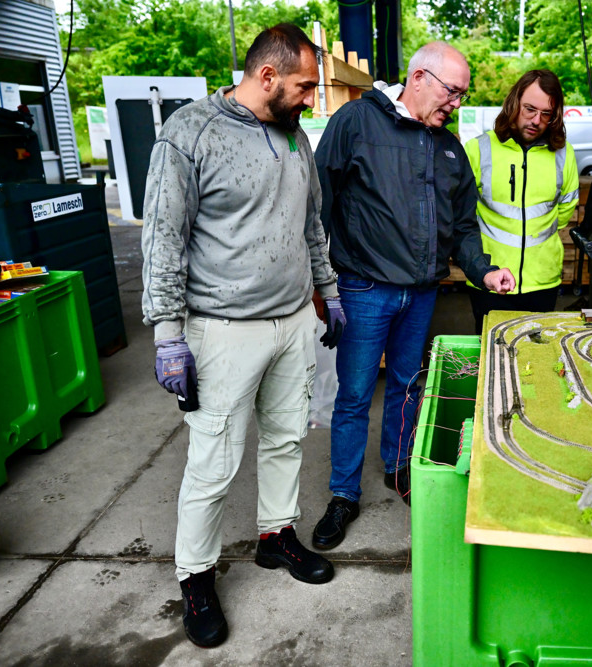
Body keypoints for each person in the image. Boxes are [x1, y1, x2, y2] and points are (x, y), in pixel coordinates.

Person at [141, 24, 345, 649]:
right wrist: (169, 335)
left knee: (286, 438)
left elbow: (310, 222)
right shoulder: (190, 133)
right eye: (305, 86)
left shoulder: (295, 139)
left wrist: (328, 293)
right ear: (266, 76)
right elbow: (163, 239)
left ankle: (275, 536)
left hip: (290, 324)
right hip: (222, 330)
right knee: (213, 461)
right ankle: (195, 576)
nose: (311, 99)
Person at [312, 41, 515, 548]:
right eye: (453, 92)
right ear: (419, 77)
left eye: (464, 96)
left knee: (406, 386)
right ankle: (343, 495)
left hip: (421, 292)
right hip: (362, 288)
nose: (457, 104)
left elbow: (464, 226)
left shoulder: (448, 148)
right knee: (356, 394)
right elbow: (317, 202)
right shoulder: (357, 122)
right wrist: (315, 281)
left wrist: (483, 270)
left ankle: (399, 467)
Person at [464, 70, 579, 332]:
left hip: (543, 280)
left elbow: (566, 208)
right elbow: (462, 216)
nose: (536, 120)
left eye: (546, 114)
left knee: (534, 358)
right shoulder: (478, 149)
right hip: (490, 277)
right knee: (491, 354)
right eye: (529, 109)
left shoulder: (564, 153)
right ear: (514, 103)